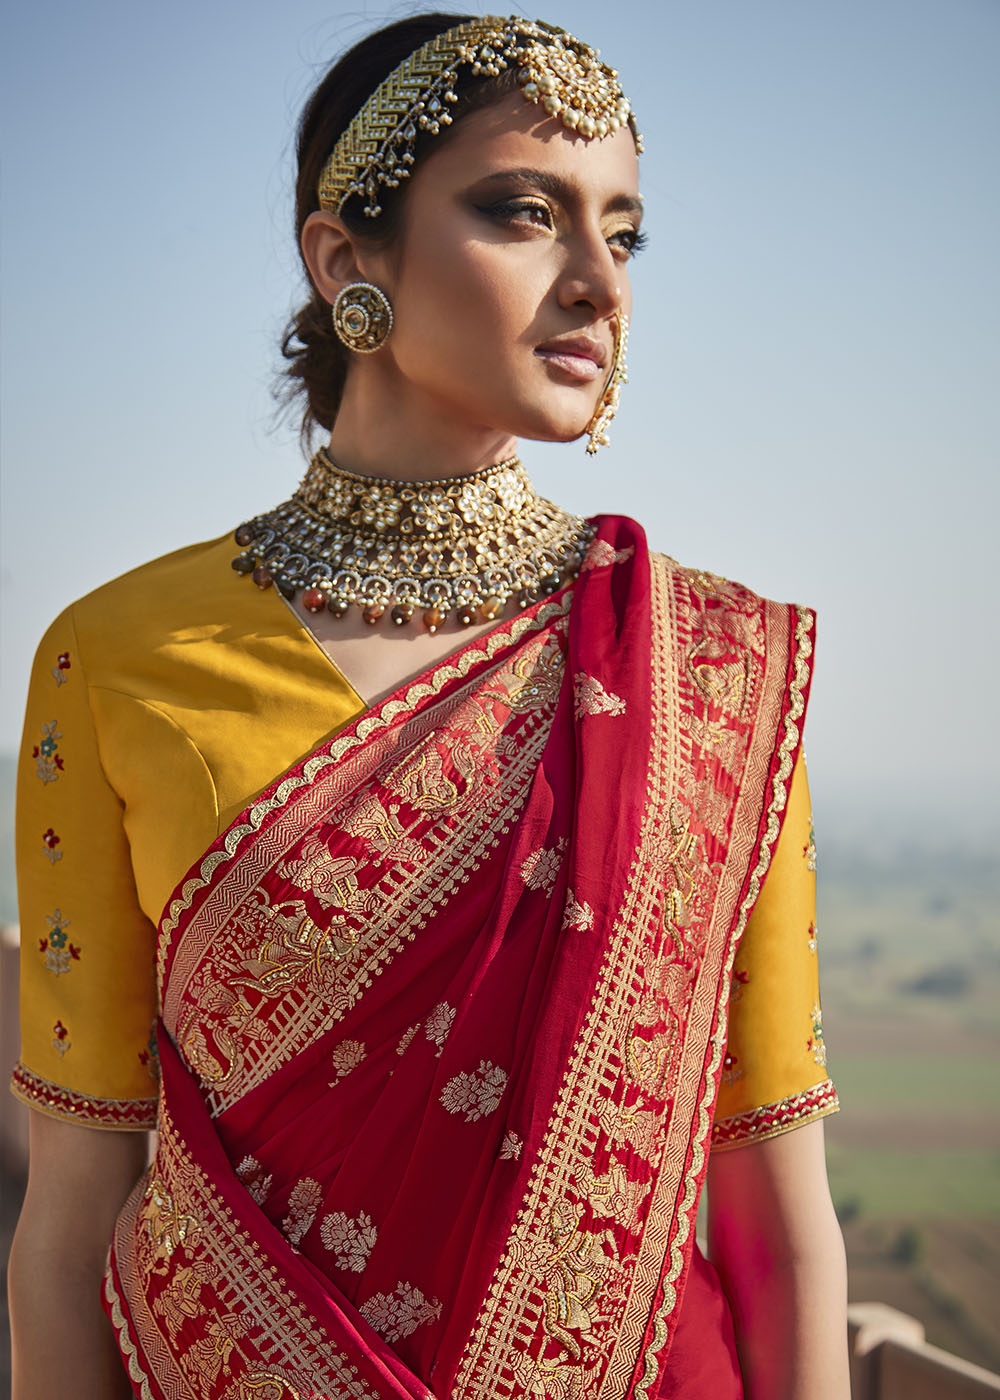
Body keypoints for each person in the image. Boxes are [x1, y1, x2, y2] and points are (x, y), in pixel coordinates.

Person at [8, 13, 849, 1398]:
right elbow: (72, 1205)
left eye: (624, 232)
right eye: (526, 213)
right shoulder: (120, 657)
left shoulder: (708, 669)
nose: (599, 283)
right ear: (348, 259)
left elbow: (776, 1213)